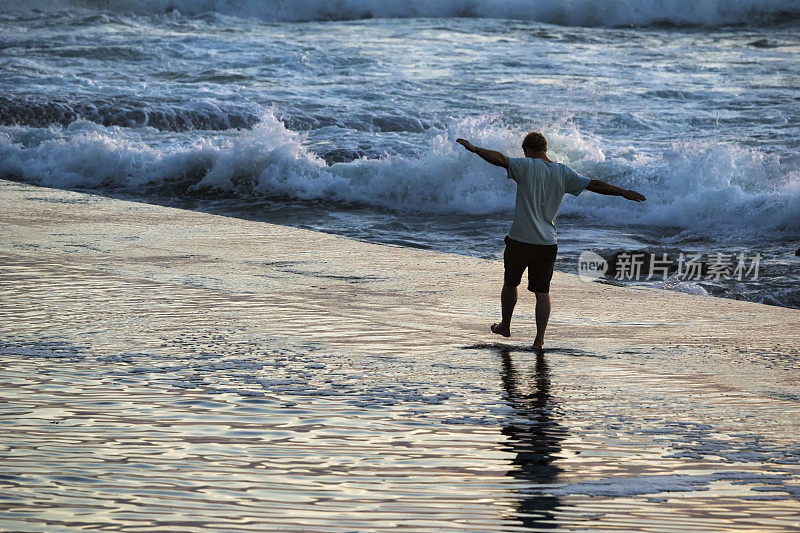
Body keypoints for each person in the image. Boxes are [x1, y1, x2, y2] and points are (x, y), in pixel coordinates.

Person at [456, 132, 646, 351]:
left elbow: (500, 160)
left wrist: (474, 148)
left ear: (528, 150)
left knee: (510, 282)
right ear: (545, 149)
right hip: (547, 243)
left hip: (519, 239)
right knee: (542, 292)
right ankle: (539, 340)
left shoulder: (525, 165)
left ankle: (506, 325)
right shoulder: (563, 172)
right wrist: (622, 192)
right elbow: (594, 185)